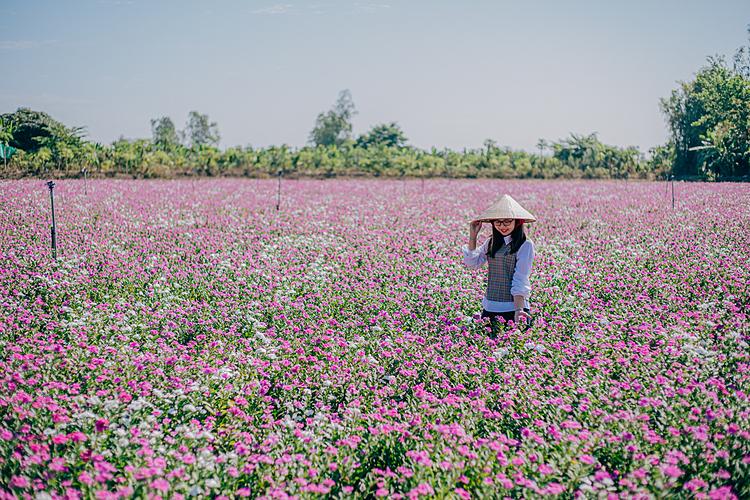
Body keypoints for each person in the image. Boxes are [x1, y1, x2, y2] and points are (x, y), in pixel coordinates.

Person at [462, 194, 536, 334]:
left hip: (514, 308)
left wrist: (519, 310)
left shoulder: (525, 244)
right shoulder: (491, 242)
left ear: (517, 222)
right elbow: (473, 263)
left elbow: (520, 278)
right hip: (491, 306)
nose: (502, 226)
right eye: (498, 222)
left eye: (507, 221)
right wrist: (473, 236)